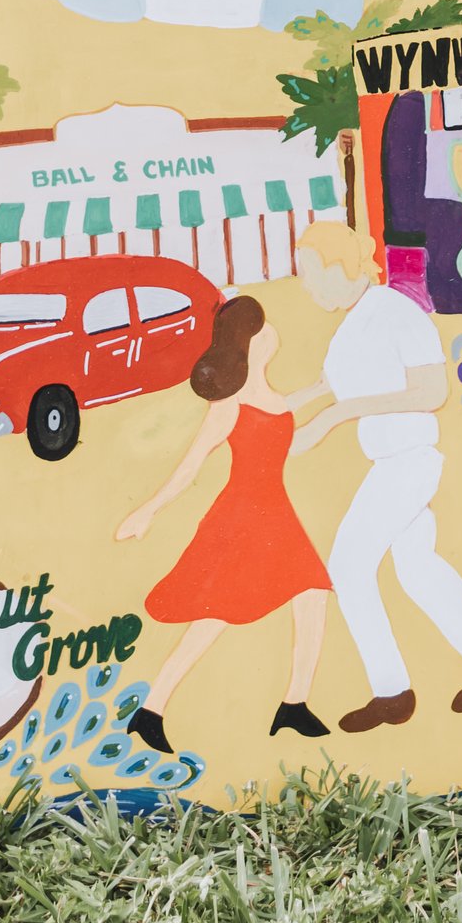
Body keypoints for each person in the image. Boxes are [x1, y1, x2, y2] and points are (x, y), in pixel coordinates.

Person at [284, 214, 462, 732]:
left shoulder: (395, 312)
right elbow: (326, 384)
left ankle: (392, 693)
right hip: (391, 462)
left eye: (311, 272)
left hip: (409, 462)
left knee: (347, 567)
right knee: (417, 568)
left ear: (340, 266)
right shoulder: (351, 324)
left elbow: (432, 392)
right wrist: (277, 415)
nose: (306, 286)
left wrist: (341, 415)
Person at [116, 293, 333, 751]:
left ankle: (294, 702)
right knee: (215, 614)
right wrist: (148, 509)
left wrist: (322, 392)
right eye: (263, 328)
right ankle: (151, 708)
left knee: (313, 591)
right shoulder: (228, 405)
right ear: (249, 342)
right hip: (241, 515)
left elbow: (284, 424)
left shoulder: (271, 395)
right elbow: (190, 466)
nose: (272, 332)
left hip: (274, 512)